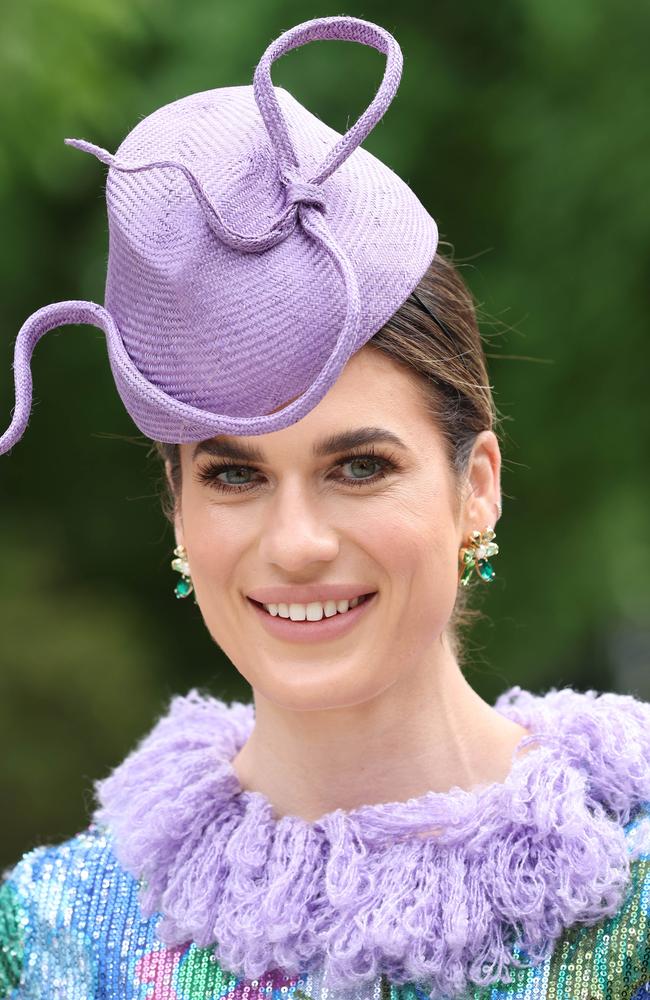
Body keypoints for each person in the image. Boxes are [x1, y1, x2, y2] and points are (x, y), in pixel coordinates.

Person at [1, 15, 649, 1000]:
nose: (295, 544)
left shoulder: (626, 892)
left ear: (475, 487)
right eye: (234, 476)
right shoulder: (57, 940)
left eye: (356, 468)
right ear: (176, 512)